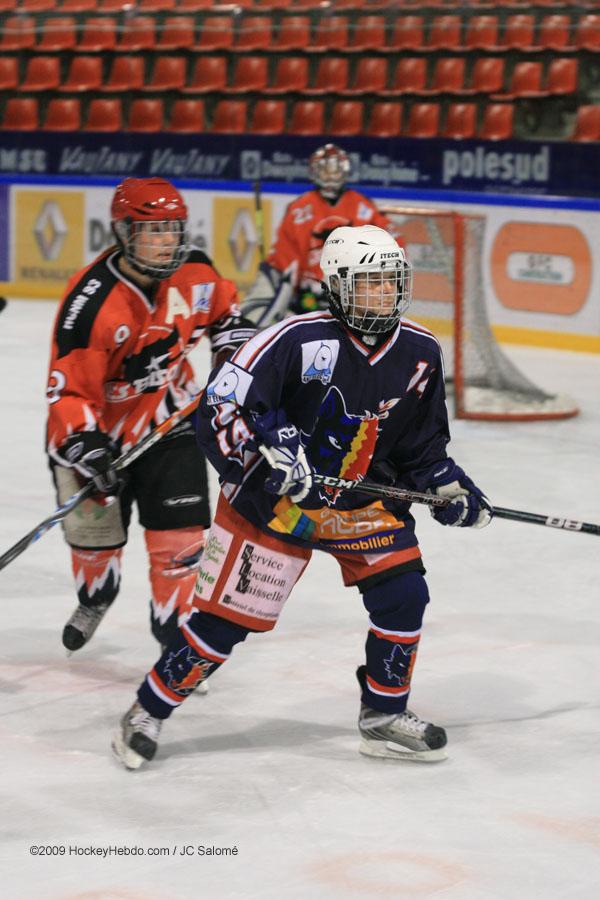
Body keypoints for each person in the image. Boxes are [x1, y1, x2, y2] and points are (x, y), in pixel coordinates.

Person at [112, 223, 492, 770]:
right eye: (369, 283)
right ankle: (147, 711)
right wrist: (262, 461)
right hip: (274, 505)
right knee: (225, 623)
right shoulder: (292, 339)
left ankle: (383, 715)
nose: (384, 293)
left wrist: (446, 485)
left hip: (359, 503)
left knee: (405, 595)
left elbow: (421, 445)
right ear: (337, 286)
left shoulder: (420, 351)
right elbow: (220, 407)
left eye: (391, 281)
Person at [46, 177, 255, 654]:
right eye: (153, 231)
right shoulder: (90, 304)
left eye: (172, 229)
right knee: (95, 545)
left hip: (169, 423)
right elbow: (68, 389)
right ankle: (95, 598)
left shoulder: (196, 272)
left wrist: (232, 350)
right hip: (97, 437)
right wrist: (86, 445)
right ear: (124, 233)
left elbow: (226, 317)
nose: (166, 241)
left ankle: (173, 639)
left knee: (181, 543)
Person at [242, 143, 394, 328]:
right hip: (307, 298)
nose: (330, 177)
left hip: (352, 297)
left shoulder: (363, 207)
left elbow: (388, 245)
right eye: (324, 171)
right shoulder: (299, 208)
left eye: (335, 171)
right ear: (314, 172)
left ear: (345, 171)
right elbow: (285, 255)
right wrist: (280, 279)